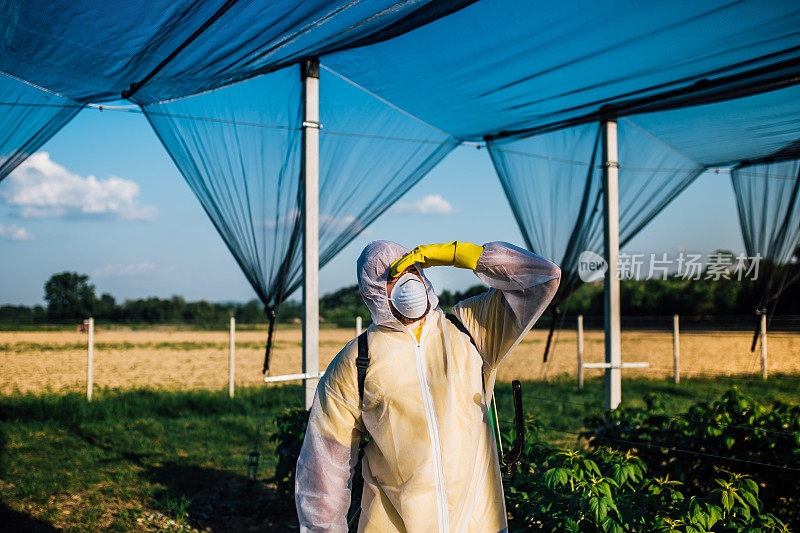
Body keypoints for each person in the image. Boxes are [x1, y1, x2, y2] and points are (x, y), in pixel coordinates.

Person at [295, 240, 560, 532]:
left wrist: (459, 254)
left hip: (478, 523)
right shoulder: (357, 360)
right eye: (392, 278)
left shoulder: (470, 326)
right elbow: (323, 470)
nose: (408, 282)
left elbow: (542, 278)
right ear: (372, 292)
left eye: (412, 270)